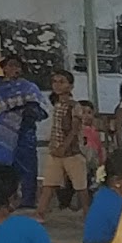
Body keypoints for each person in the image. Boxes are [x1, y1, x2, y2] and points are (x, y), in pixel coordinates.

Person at [0, 56, 47, 210]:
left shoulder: (28, 87)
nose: (16, 69)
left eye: (18, 66)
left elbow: (38, 108)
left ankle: (27, 199)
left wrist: (19, 111)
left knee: (25, 165)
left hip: (21, 132)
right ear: (4, 68)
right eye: (12, 65)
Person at [36, 71, 88, 222]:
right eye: (55, 81)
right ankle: (40, 212)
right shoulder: (57, 104)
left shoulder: (74, 106)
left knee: (80, 186)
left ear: (71, 86)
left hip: (71, 152)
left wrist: (63, 147)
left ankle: (87, 212)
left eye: (62, 82)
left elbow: (74, 129)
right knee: (49, 183)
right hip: (56, 150)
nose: (57, 85)